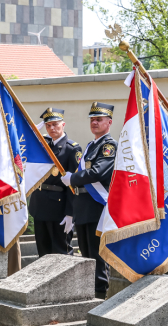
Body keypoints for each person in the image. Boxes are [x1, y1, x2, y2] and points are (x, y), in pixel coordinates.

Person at [62, 102, 116, 298]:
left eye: (99, 119)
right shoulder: (91, 145)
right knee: (86, 257)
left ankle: (100, 297)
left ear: (109, 122)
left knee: (97, 257)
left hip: (97, 208)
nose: (94, 122)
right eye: (92, 119)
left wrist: (73, 178)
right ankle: (89, 297)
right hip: (83, 207)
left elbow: (98, 172)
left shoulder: (109, 146)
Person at [29, 108, 81, 257]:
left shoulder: (72, 149)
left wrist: (70, 213)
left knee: (61, 251)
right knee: (43, 253)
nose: (52, 128)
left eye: (55, 124)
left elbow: (74, 184)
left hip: (59, 208)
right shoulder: (42, 144)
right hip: (39, 205)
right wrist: (32, 130)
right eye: (48, 125)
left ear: (63, 124)